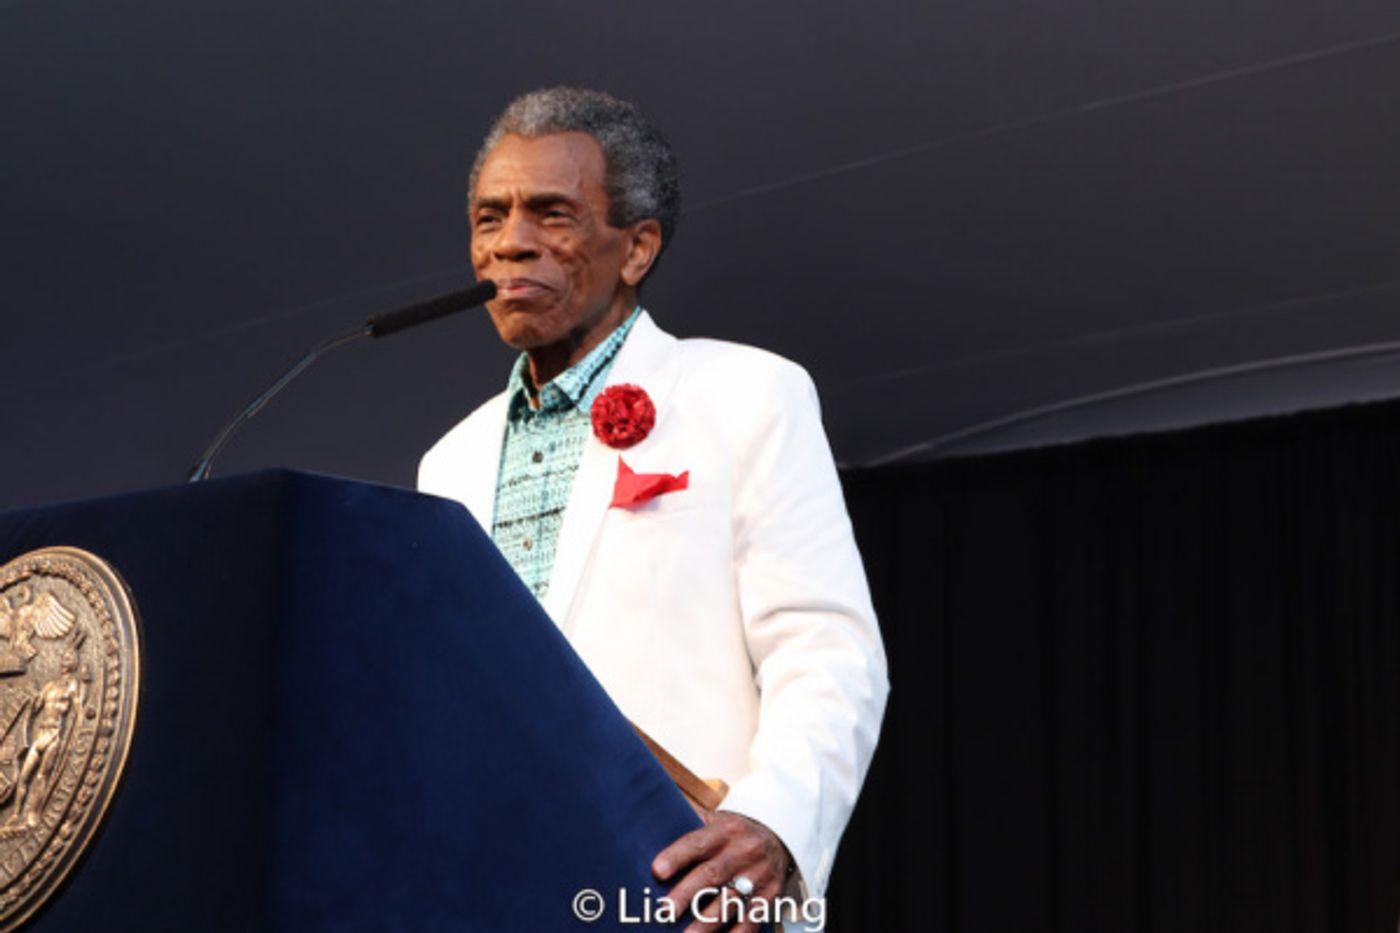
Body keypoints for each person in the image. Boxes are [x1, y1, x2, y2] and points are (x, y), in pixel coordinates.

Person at [419, 87, 887, 930]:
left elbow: (827, 648)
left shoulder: (745, 394)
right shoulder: (449, 460)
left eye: (550, 214)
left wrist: (773, 822)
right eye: (490, 218)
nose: (510, 242)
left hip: (678, 888)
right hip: (487, 886)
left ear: (636, 249)